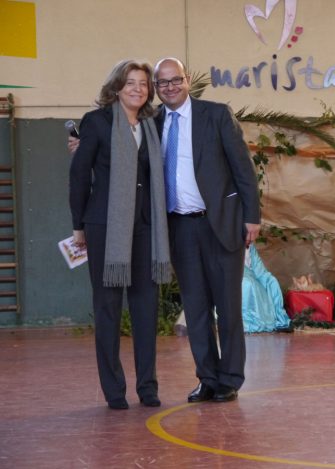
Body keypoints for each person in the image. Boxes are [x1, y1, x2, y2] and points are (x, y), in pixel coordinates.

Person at [153, 57, 260, 403]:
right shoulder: (152, 124)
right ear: (156, 88)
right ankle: (208, 378)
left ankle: (230, 378)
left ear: (186, 80)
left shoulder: (216, 115)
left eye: (175, 80)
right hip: (180, 228)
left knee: (227, 308)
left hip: (221, 224)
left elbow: (243, 168)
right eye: (163, 82)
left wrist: (252, 217)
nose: (170, 87)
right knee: (196, 310)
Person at [69, 60, 171, 410]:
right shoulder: (96, 122)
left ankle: (148, 387)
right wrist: (78, 225)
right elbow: (79, 176)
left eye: (143, 83)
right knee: (108, 308)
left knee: (146, 308)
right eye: (130, 83)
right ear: (116, 87)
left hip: (145, 227)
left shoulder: (154, 123)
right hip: (104, 227)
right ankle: (114, 390)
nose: (138, 89)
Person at [242, 244, 291, 333]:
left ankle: (274, 318)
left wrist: (269, 280)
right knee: (247, 283)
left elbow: (259, 270)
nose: (251, 238)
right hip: (239, 278)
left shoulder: (251, 248)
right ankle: (247, 322)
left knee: (272, 281)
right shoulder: (231, 244)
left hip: (253, 278)